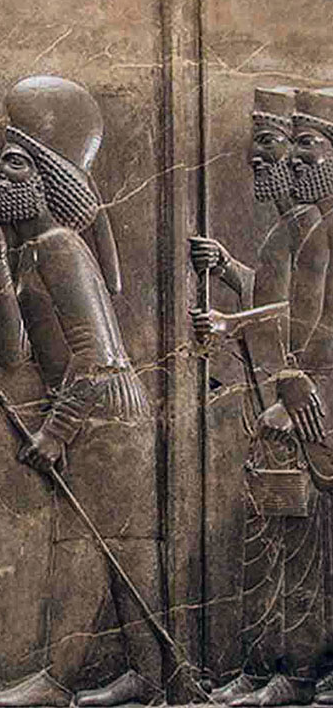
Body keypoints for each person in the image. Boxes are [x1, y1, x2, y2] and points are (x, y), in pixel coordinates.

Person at [0, 76, 162, 707]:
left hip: (105, 412)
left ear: (47, 179)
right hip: (89, 411)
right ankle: (149, 677)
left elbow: (97, 358)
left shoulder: (60, 248)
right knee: (113, 550)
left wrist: (54, 433)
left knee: (92, 548)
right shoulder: (30, 255)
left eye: (13, 165)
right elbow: (12, 353)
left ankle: (63, 681)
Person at [190, 86, 333, 706]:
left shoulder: (318, 227)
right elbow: (286, 308)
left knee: (299, 541)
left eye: (306, 144)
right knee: (281, 536)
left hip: (314, 400)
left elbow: (314, 325)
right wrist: (231, 312)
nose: (290, 159)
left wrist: (296, 380)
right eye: (287, 145)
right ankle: (273, 664)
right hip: (297, 393)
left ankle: (299, 672)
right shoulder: (303, 229)